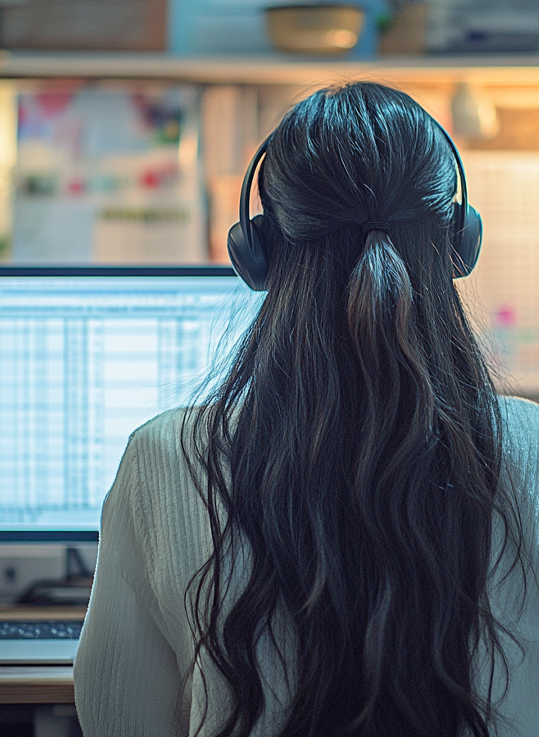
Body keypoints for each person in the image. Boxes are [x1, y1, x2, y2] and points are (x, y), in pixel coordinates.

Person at [74, 82, 539, 737]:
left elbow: (118, 720)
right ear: (458, 242)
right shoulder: (533, 446)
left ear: (257, 251)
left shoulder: (166, 458)